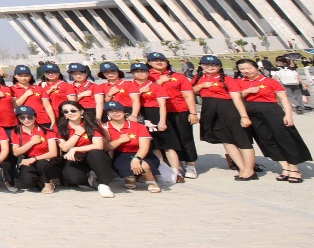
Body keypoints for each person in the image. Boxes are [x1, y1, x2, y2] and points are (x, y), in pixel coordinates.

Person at [235, 59, 312, 183]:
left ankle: (294, 168)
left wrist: (288, 115)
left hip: (271, 111)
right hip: (251, 113)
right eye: (242, 69)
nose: (246, 71)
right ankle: (285, 167)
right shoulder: (239, 82)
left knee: (285, 138)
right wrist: (246, 92)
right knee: (266, 140)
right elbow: (235, 98)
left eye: (249, 68)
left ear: (257, 68)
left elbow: (284, 98)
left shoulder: (270, 81)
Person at [191, 55, 257, 180]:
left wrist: (244, 116)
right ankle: (242, 168)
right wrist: (201, 86)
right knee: (226, 140)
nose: (210, 67)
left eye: (214, 65)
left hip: (228, 109)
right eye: (206, 65)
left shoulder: (227, 79)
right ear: (201, 66)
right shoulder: (199, 78)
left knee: (242, 139)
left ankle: (250, 170)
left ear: (220, 67)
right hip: (210, 110)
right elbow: (189, 91)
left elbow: (236, 98)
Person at [148, 52, 198, 181]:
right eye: (155, 60)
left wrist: (193, 113)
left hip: (179, 110)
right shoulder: (147, 76)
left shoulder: (178, 76)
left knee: (185, 137)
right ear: (149, 63)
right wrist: (159, 82)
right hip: (158, 112)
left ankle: (190, 165)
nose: (159, 62)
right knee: (168, 141)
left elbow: (188, 95)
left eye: (162, 60)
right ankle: (176, 166)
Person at [53, 100, 117, 197]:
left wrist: (75, 149)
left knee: (95, 153)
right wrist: (77, 133)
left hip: (93, 155)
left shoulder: (91, 124)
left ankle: (103, 184)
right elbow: (65, 148)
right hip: (74, 158)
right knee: (74, 179)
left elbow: (98, 145)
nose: (70, 113)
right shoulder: (59, 126)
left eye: (73, 110)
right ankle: (88, 177)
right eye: (66, 111)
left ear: (81, 111)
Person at [103, 101, 162, 193]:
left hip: (142, 154)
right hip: (121, 155)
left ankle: (150, 180)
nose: (115, 113)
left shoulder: (138, 126)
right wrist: (119, 140)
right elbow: (105, 148)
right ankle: (130, 176)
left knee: (143, 165)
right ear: (107, 113)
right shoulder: (104, 127)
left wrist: (136, 159)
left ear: (124, 112)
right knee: (127, 168)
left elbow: (144, 147)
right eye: (111, 111)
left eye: (118, 110)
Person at [9, 106, 60, 193]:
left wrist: (34, 159)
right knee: (26, 181)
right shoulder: (16, 131)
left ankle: (49, 183)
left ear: (35, 117)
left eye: (29, 117)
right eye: (22, 117)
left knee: (42, 164)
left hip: (45, 159)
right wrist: (31, 143)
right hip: (28, 159)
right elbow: (16, 152)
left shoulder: (46, 131)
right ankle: (40, 180)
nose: (26, 120)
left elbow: (53, 153)